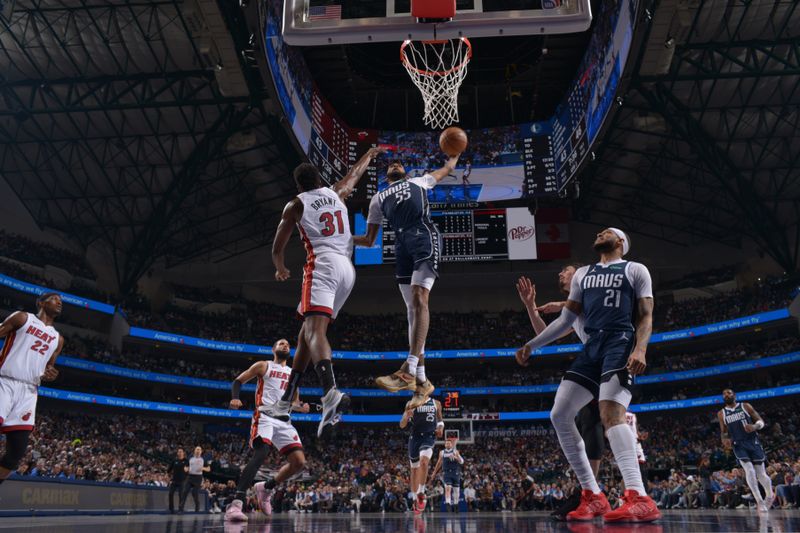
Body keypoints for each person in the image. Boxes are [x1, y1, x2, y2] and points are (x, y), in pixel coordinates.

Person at [516, 228, 661, 522]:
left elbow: (646, 315)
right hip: (591, 347)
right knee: (559, 414)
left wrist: (641, 349)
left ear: (621, 242)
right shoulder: (584, 275)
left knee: (610, 413)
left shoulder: (635, 269)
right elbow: (566, 320)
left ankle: (639, 496)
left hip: (620, 341)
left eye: (607, 232)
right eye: (598, 231)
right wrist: (532, 345)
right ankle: (592, 495)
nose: (599, 233)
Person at [268, 147, 385, 437]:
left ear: (298, 186)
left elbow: (277, 247)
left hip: (322, 266)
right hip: (348, 269)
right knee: (305, 334)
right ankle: (285, 401)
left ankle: (330, 391)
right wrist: (370, 154)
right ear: (319, 179)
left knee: (314, 332)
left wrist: (280, 267)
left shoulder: (295, 204)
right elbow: (354, 175)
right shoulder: (336, 193)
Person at [355, 153, 461, 408]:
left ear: (404, 170)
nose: (394, 164)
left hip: (424, 235)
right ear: (385, 174)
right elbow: (369, 240)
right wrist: (342, 238)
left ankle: (409, 369)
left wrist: (452, 161)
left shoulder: (419, 181)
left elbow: (443, 172)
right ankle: (423, 382)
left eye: (398, 163)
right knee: (411, 312)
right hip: (402, 245)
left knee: (419, 297)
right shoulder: (377, 199)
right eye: (390, 164)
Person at [515, 267, 606, 521]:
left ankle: (590, 491)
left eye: (567, 270)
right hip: (597, 357)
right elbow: (548, 332)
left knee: (592, 418)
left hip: (610, 353)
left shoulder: (593, 285)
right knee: (585, 417)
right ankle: (590, 491)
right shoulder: (573, 306)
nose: (561, 273)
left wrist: (560, 303)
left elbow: (596, 298)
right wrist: (531, 306)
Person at [225, 339, 310, 522]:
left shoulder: (292, 374)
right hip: (265, 416)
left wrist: (301, 406)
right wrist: (235, 398)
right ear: (273, 349)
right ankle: (236, 504)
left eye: (288, 344)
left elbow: (294, 402)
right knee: (261, 453)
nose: (285, 345)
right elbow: (238, 381)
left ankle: (266, 487)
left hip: (285, 422)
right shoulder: (263, 366)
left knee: (299, 462)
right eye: (281, 343)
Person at [0, 293, 63, 486]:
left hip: (29, 392)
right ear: (41, 303)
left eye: (61, 302)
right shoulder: (23, 318)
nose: (59, 302)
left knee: (16, 451)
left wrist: (51, 374)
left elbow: (48, 368)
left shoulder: (58, 339)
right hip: (5, 382)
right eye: (55, 299)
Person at [718, 388, 774, 512]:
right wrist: (724, 440)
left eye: (729, 393)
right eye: (724, 394)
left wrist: (754, 426)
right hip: (738, 444)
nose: (726, 395)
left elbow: (761, 422)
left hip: (752, 442)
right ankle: (759, 500)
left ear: (735, 395)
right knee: (749, 470)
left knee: (761, 474)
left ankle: (769, 495)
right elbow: (723, 432)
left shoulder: (745, 406)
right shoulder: (721, 413)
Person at [400, 395, 443, 515]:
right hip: (415, 437)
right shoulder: (410, 403)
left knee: (424, 462)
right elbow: (402, 425)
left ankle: (421, 492)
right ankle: (414, 499)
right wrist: (406, 417)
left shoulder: (436, 403)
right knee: (414, 470)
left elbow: (440, 421)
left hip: (429, 437)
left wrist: (441, 428)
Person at [429, 436, 464, 512]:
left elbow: (462, 461)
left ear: (451, 445)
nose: (448, 444)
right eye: (446, 443)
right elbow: (438, 463)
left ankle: (456, 504)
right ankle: (448, 503)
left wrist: (456, 457)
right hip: (446, 473)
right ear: (445, 445)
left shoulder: (455, 452)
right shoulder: (442, 452)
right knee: (448, 488)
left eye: (449, 443)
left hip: (455, 473)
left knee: (456, 491)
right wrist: (434, 472)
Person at [180, 446, 210, 512]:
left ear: (201, 451)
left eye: (199, 449)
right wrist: (186, 469)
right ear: (194, 451)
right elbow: (186, 467)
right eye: (197, 449)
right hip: (190, 477)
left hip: (198, 478)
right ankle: (181, 509)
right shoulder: (190, 458)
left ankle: (197, 507)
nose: (198, 451)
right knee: (185, 492)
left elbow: (208, 469)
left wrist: (203, 468)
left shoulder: (203, 459)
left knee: (194, 493)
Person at [626, 410, 649, 487]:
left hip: (628, 447)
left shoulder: (621, 413)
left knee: (631, 475)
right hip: (634, 447)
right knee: (641, 474)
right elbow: (637, 433)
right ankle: (644, 493)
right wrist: (641, 436)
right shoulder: (633, 415)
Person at [168, 448, 188, 513]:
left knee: (181, 495)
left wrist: (187, 470)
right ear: (177, 453)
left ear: (183, 453)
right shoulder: (174, 461)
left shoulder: (186, 461)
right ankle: (171, 509)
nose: (179, 453)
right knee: (170, 494)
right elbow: (169, 470)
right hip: (174, 481)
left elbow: (189, 469)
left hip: (182, 481)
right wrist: (169, 476)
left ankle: (180, 509)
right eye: (178, 452)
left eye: (181, 452)